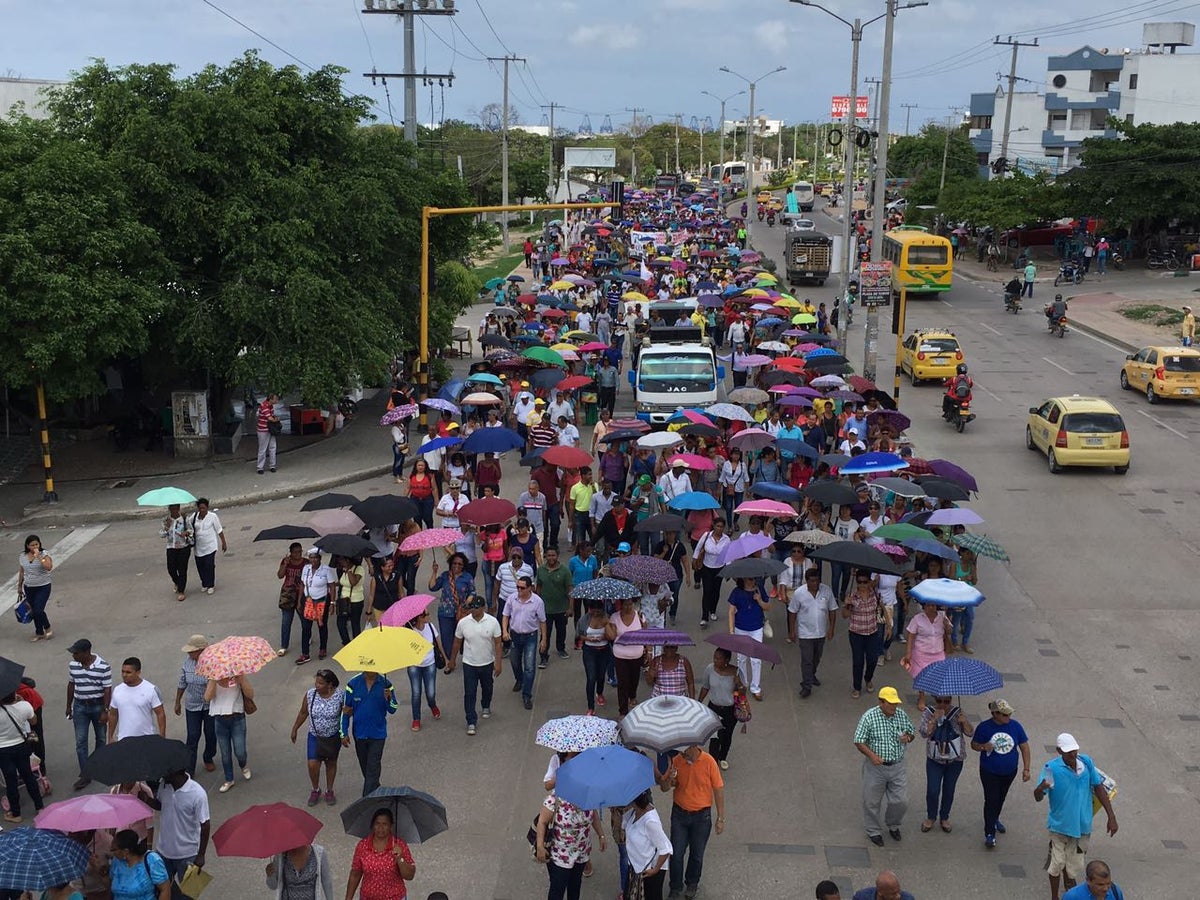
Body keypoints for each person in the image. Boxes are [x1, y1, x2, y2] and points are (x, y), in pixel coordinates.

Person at [1034, 733, 1118, 900]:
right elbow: (1038, 796)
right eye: (1068, 752)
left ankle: (1069, 892)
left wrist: (1111, 816)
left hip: (1082, 826)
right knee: (1056, 864)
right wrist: (1041, 787)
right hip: (1059, 826)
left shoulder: (1086, 762)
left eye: (1074, 750)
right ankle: (1054, 897)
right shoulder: (1051, 768)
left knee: (1073, 867)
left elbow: (1099, 788)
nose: (1072, 754)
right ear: (1059, 751)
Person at [659, 744, 725, 900]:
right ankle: (675, 887)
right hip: (680, 814)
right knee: (676, 853)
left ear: (695, 746)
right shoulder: (677, 760)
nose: (683, 753)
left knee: (697, 854)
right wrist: (670, 779)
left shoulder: (709, 762)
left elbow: (718, 789)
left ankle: (692, 883)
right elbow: (664, 788)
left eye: (686, 750)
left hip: (701, 817)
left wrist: (721, 818)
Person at [853, 686, 916, 846]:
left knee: (901, 801)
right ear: (881, 702)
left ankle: (893, 825)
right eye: (891, 703)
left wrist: (908, 737)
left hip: (897, 765)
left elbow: (911, 732)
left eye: (896, 703)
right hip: (876, 768)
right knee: (871, 801)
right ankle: (873, 830)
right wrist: (872, 756)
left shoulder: (901, 715)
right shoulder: (869, 717)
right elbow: (858, 740)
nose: (894, 707)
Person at [971, 698, 1031, 849]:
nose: (1008, 717)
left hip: (1010, 771)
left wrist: (1026, 769)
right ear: (995, 714)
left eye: (1009, 714)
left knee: (1001, 798)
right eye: (1004, 714)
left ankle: (994, 818)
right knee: (991, 799)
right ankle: (989, 833)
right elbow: (974, 745)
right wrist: (983, 747)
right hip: (989, 771)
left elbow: (1024, 747)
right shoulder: (984, 727)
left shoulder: (1015, 726)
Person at [445, 595, 503, 736]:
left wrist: (498, 663)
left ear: (483, 608)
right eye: (472, 608)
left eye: (477, 608)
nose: (474, 611)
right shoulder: (463, 623)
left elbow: (497, 643)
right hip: (469, 663)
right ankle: (471, 720)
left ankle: (485, 705)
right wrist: (452, 661)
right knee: (470, 692)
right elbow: (457, 642)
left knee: (487, 687)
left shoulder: (493, 622)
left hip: (487, 662)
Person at [535, 790, 605, 900]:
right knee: (557, 891)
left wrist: (601, 835)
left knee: (575, 886)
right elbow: (542, 822)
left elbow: (594, 815)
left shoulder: (588, 797)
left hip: (581, 852)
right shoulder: (555, 799)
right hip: (560, 856)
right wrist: (540, 846)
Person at [290, 669, 345, 807]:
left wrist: (344, 733)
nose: (317, 685)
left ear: (330, 685)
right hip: (315, 735)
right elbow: (303, 713)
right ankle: (316, 789)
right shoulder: (310, 695)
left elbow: (346, 715)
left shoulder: (340, 696)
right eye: (316, 682)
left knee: (331, 763)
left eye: (321, 683)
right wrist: (295, 728)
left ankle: (329, 790)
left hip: (333, 737)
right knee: (312, 764)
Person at [919, 694, 974, 834]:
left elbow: (970, 733)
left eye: (947, 701)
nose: (943, 704)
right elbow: (924, 733)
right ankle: (931, 816)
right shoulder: (929, 712)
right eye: (939, 701)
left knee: (949, 789)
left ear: (951, 700)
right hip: (935, 759)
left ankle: (944, 817)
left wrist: (964, 721)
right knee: (933, 790)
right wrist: (933, 721)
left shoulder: (958, 712)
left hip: (955, 759)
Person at [340, 670, 397, 798]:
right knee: (366, 767)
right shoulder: (352, 684)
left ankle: (366, 799)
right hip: (359, 734)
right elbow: (346, 710)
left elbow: (393, 708)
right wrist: (343, 732)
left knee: (373, 766)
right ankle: (375, 789)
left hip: (378, 734)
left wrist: (389, 698)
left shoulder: (386, 684)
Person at [147, 769, 210, 883]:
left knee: (189, 893)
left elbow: (205, 825)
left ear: (176, 770)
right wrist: (147, 799)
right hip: (163, 852)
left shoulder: (198, 793)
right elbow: (161, 805)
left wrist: (201, 855)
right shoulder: (164, 785)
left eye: (166, 770)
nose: (162, 774)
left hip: (188, 855)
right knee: (162, 890)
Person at [66, 637, 113, 790]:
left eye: (76, 653)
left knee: (100, 738)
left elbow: (107, 689)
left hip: (98, 705)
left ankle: (96, 764)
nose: (74, 656)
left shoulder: (103, 666)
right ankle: (85, 774)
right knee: (80, 742)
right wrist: (69, 706)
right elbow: (71, 684)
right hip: (80, 706)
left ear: (87, 653)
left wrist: (106, 710)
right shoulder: (73, 665)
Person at [787, 568, 838, 698]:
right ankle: (806, 685)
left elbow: (832, 610)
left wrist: (831, 628)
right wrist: (792, 631)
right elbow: (792, 612)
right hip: (805, 633)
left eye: (817, 580)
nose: (815, 583)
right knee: (807, 660)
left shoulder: (827, 591)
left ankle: (811, 675)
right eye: (812, 581)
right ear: (807, 581)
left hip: (820, 633)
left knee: (817, 657)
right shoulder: (799, 593)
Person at [345, 807, 415, 900]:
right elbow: (355, 874)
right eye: (377, 824)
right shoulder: (362, 846)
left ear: (391, 826)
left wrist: (400, 858)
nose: (380, 828)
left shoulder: (400, 845)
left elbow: (409, 876)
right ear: (373, 825)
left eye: (385, 824)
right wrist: (348, 898)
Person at [203, 673, 254, 793]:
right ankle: (229, 779)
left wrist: (241, 680)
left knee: (240, 751)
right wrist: (213, 681)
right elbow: (207, 698)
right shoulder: (212, 678)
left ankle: (243, 764)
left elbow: (250, 694)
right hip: (220, 720)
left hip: (237, 718)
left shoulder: (237, 675)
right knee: (225, 753)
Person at [502, 576, 547, 711]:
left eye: (522, 588)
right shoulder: (512, 598)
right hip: (515, 635)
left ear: (529, 588)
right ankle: (519, 679)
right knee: (514, 661)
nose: (519, 590)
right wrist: (504, 631)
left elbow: (542, 621)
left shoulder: (537, 602)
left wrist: (543, 639)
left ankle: (526, 694)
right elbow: (505, 615)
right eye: (518, 587)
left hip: (530, 637)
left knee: (529, 666)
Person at [174, 635, 216, 778]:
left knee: (211, 734)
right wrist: (177, 701)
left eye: (192, 651)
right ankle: (189, 767)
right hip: (192, 705)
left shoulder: (213, 663)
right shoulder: (187, 664)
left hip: (210, 705)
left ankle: (208, 757)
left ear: (202, 650)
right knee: (192, 736)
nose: (189, 654)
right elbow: (182, 683)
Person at [0, 689, 43, 823]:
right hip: (21, 746)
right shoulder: (24, 706)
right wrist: (22, 701)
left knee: (10, 780)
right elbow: (34, 721)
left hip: (3, 750)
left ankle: (16, 813)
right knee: (28, 775)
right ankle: (39, 807)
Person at [622, 789, 672, 900]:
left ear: (633, 802)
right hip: (635, 866)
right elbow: (624, 827)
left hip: (649, 870)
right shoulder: (633, 812)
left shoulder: (650, 822)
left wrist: (655, 870)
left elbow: (666, 848)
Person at [698, 648, 743, 771]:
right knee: (714, 736)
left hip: (730, 710)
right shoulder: (709, 669)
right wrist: (698, 702)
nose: (715, 660)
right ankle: (713, 761)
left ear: (726, 660)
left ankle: (723, 757)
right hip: (714, 708)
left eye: (718, 658)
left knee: (726, 735)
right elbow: (705, 687)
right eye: (714, 657)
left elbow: (742, 692)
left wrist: (739, 684)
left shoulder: (736, 672)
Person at [843, 571, 887, 699]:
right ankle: (857, 687)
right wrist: (847, 604)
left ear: (869, 582)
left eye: (865, 582)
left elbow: (882, 609)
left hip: (872, 632)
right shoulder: (852, 596)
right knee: (858, 661)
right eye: (859, 582)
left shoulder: (875, 595)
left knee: (872, 659)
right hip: (856, 633)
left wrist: (889, 625)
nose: (862, 584)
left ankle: (868, 678)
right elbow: (845, 615)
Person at [902, 600, 951, 710]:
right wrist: (908, 653)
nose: (931, 608)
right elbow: (911, 635)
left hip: (938, 652)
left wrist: (947, 626)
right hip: (921, 653)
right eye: (928, 605)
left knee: (938, 675)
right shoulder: (917, 619)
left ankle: (937, 695)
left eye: (933, 605)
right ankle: (921, 697)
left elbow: (949, 631)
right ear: (924, 607)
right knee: (921, 676)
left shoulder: (942, 616)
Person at [428, 553, 475, 669]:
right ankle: (450, 661)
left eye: (460, 564)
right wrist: (434, 572)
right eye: (454, 563)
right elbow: (432, 587)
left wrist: (466, 604)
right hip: (445, 612)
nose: (457, 566)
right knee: (446, 639)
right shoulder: (445, 576)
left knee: (461, 636)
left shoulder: (467, 577)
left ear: (463, 565)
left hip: (461, 612)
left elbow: (473, 593)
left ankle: (464, 655)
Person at [725, 577, 769, 701]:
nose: (752, 581)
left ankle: (756, 687)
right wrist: (731, 630)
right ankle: (743, 684)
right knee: (741, 658)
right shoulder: (736, 592)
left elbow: (768, 607)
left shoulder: (760, 590)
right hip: (741, 628)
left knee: (756, 659)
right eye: (750, 579)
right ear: (743, 579)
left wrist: (759, 600)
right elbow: (731, 611)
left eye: (753, 579)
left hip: (756, 628)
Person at [107, 657, 166, 743]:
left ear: (138, 672)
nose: (124, 675)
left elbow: (160, 714)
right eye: (122, 671)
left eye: (128, 672)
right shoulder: (117, 690)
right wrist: (110, 737)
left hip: (147, 740)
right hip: (124, 740)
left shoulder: (151, 689)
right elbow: (113, 715)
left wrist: (162, 737)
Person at [297, 548, 338, 665]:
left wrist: (332, 604)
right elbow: (302, 584)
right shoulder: (306, 569)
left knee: (322, 625)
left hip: (322, 601)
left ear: (320, 558)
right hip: (308, 601)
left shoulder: (326, 570)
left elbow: (332, 586)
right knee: (306, 627)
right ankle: (305, 653)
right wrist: (300, 600)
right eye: (311, 557)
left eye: (316, 557)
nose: (313, 560)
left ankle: (322, 649)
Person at [107, 829, 172, 900]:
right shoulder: (117, 861)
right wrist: (98, 868)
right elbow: (110, 886)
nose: (112, 852)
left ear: (126, 851)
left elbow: (165, 890)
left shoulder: (152, 860)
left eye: (113, 850)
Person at [406, 609, 443, 732]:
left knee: (430, 692)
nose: (429, 616)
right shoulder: (410, 631)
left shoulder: (431, 627)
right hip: (414, 666)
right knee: (416, 693)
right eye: (426, 614)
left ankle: (432, 704)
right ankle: (416, 718)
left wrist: (445, 657)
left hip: (430, 664)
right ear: (420, 618)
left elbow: (438, 643)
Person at [537, 547, 573, 667]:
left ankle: (561, 648)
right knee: (545, 633)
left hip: (561, 608)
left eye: (553, 555)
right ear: (545, 556)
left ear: (557, 556)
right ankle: (543, 656)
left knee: (561, 630)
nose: (551, 558)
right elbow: (538, 588)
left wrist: (570, 607)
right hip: (545, 609)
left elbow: (570, 589)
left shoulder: (564, 570)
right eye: (548, 555)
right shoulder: (541, 570)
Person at [265, 841, 336, 900]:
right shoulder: (280, 856)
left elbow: (327, 881)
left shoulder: (319, 853)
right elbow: (273, 886)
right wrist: (270, 875)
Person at [693, 518, 731, 627]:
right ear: (714, 526)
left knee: (716, 591)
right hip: (707, 567)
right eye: (717, 526)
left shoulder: (726, 539)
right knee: (707, 591)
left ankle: (713, 610)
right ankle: (704, 617)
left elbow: (728, 555)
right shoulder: (706, 536)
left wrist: (728, 569)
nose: (719, 528)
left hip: (719, 568)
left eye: (721, 527)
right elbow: (698, 548)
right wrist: (695, 559)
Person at [17, 534, 54, 641]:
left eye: (36, 544)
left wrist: (39, 557)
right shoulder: (22, 556)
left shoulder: (44, 554)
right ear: (27, 546)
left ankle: (47, 627)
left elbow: (48, 567)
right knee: (33, 610)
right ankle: (39, 632)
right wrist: (19, 586)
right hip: (29, 586)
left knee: (38, 609)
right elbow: (22, 571)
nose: (34, 547)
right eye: (32, 545)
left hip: (43, 586)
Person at [188, 499, 226, 595]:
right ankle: (204, 583)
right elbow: (188, 525)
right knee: (200, 566)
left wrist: (223, 542)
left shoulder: (213, 517)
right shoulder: (194, 516)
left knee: (209, 565)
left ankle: (210, 585)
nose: (202, 510)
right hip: (198, 547)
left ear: (207, 508)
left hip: (210, 546)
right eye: (200, 508)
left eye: (203, 508)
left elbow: (219, 530)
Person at [277, 542, 307, 656]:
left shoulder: (306, 563)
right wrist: (284, 565)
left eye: (300, 551)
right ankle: (284, 645)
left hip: (301, 594)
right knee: (286, 621)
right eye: (296, 552)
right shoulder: (286, 561)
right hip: (288, 595)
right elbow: (280, 575)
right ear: (291, 553)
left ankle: (307, 637)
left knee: (304, 621)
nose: (299, 554)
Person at [161, 504, 191, 602]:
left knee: (182, 569)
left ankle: (181, 591)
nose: (174, 511)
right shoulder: (166, 520)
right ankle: (177, 582)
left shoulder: (184, 519)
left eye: (176, 509)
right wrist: (166, 528)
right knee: (171, 569)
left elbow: (191, 530)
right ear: (169, 509)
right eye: (172, 509)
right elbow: (162, 534)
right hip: (171, 547)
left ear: (178, 509)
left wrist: (186, 533)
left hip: (183, 547)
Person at [335, 555, 366, 648]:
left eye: (341, 560)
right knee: (340, 623)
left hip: (356, 601)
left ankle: (357, 645)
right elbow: (342, 583)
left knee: (355, 623)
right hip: (344, 600)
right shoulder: (343, 570)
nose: (340, 562)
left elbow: (353, 582)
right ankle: (346, 642)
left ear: (347, 560)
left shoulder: (359, 569)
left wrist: (348, 570)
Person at [256, 392, 280, 474]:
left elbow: (271, 417)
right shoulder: (264, 406)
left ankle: (272, 466)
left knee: (272, 447)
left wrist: (274, 418)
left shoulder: (270, 406)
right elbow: (270, 418)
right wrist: (276, 419)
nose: (277, 400)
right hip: (263, 430)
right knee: (263, 449)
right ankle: (260, 467)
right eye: (275, 399)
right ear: (270, 399)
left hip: (269, 429)